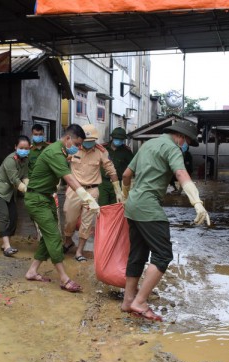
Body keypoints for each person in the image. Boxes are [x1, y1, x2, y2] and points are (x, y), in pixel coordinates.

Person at [120, 121, 210, 321]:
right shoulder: (172, 148)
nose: (185, 146)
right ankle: (140, 301)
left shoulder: (148, 145)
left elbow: (126, 174)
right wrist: (196, 201)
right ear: (181, 137)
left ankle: (128, 300)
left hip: (133, 205)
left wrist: (126, 196)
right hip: (149, 207)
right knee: (163, 254)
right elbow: (180, 173)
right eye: (187, 142)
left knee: (138, 253)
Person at [24, 124, 100, 292]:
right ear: (67, 139)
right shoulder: (55, 153)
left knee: (47, 237)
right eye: (77, 144)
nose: (79, 148)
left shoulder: (61, 151)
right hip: (37, 200)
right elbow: (69, 178)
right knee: (54, 238)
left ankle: (32, 271)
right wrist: (86, 197)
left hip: (46, 198)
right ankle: (64, 279)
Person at [62, 125, 122, 262]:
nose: (89, 142)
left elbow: (111, 170)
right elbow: (60, 165)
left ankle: (79, 251)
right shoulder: (73, 149)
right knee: (69, 218)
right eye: (86, 139)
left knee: (87, 222)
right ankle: (68, 241)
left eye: (92, 140)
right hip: (74, 189)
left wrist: (118, 190)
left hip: (92, 191)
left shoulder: (101, 152)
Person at [0, 135, 30, 257]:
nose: (24, 150)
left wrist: (29, 187)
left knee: (14, 217)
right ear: (15, 147)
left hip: (9, 193)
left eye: (26, 148)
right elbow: (15, 181)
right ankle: (6, 246)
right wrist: (29, 192)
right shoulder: (10, 160)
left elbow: (25, 176)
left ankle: (5, 243)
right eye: (21, 147)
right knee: (4, 216)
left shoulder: (25, 160)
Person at [98, 127, 134, 206]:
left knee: (116, 205)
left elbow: (132, 165)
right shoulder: (102, 148)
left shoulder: (126, 151)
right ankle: (104, 219)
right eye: (117, 138)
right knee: (103, 206)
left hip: (119, 182)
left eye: (121, 139)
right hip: (103, 182)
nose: (118, 141)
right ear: (112, 138)